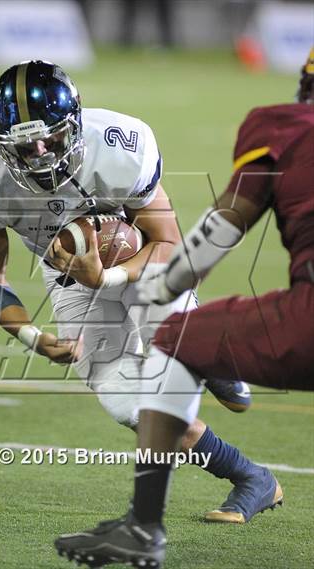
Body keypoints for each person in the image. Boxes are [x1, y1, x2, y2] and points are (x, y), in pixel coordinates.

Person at [0, 59, 274, 534]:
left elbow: (167, 243)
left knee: (168, 340)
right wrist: (33, 336)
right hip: (66, 272)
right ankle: (252, 477)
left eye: (51, 140)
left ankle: (209, 354)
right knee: (128, 404)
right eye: (22, 147)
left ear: (75, 124)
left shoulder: (119, 144)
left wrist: (109, 278)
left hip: (139, 250)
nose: (40, 156)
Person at [53, 48, 314, 569]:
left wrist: (158, 286)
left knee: (175, 337)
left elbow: (221, 229)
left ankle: (143, 528)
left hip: (304, 320)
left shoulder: (281, 128)